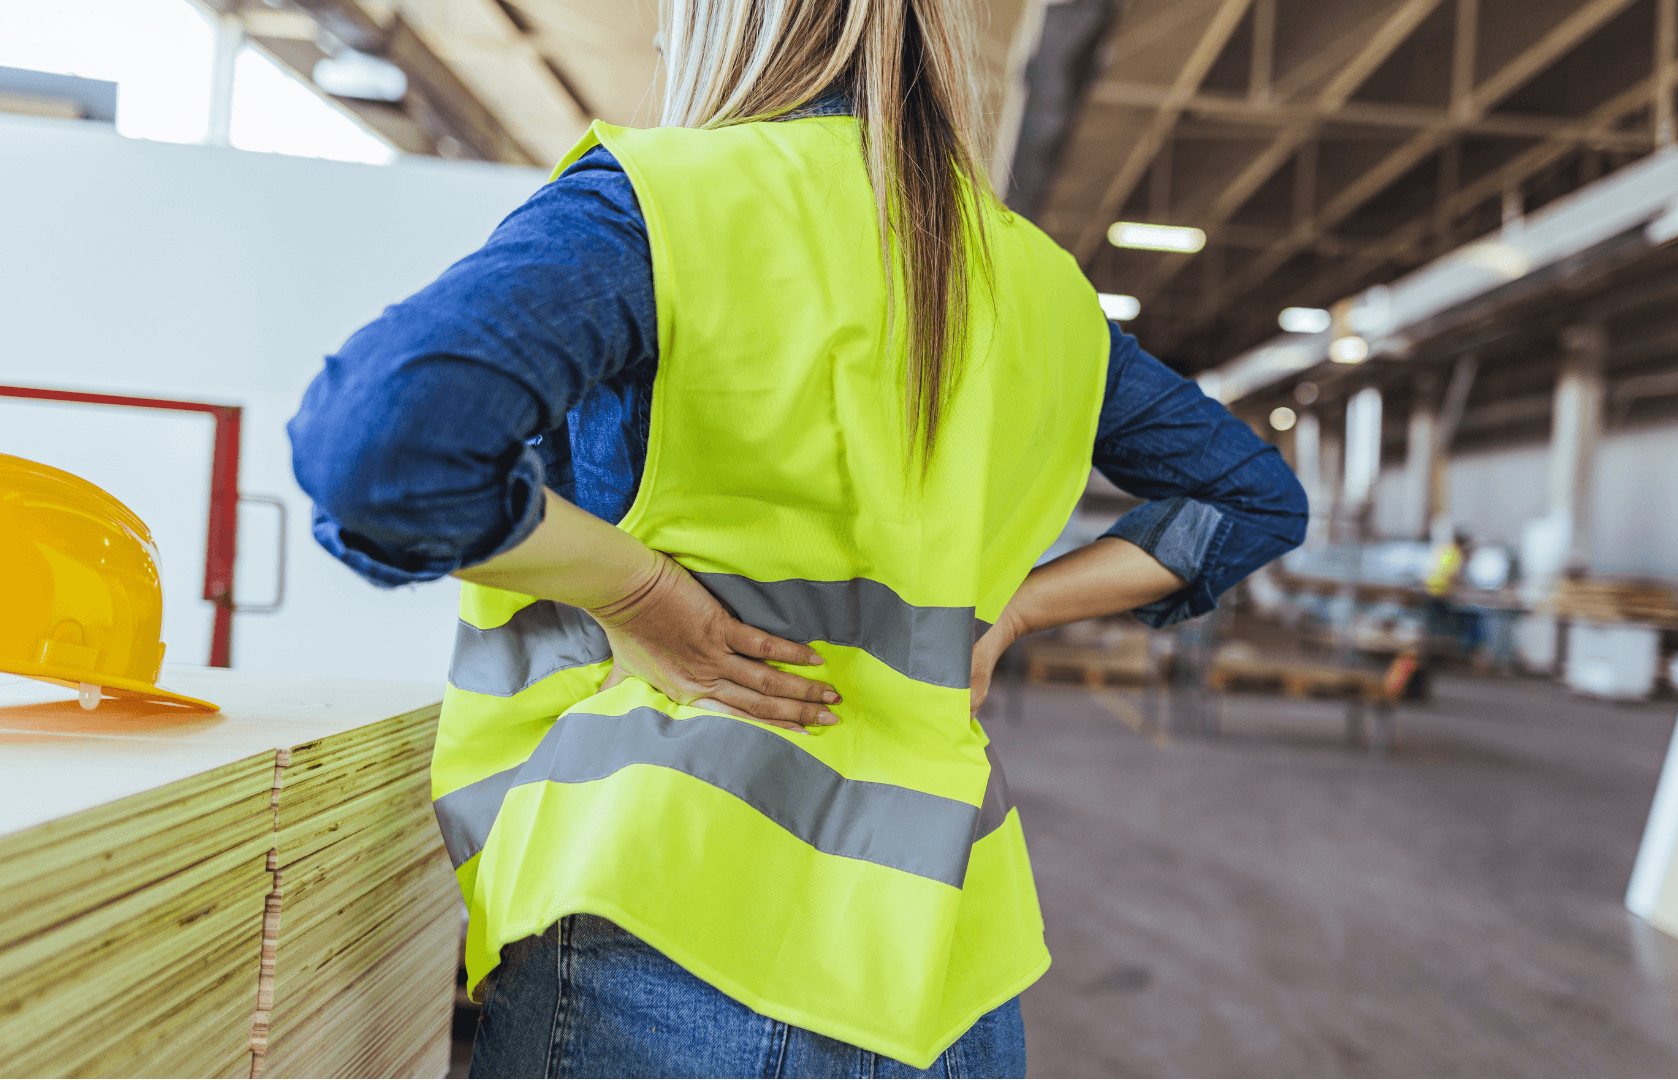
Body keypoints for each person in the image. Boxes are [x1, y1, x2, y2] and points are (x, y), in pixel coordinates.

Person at [289, 0, 1307, 1074]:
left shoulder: (674, 205)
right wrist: (1011, 615)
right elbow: (1248, 501)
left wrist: (637, 596)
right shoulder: (1041, 287)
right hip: (943, 965)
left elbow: (382, 451)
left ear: (727, 28)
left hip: (671, 917)